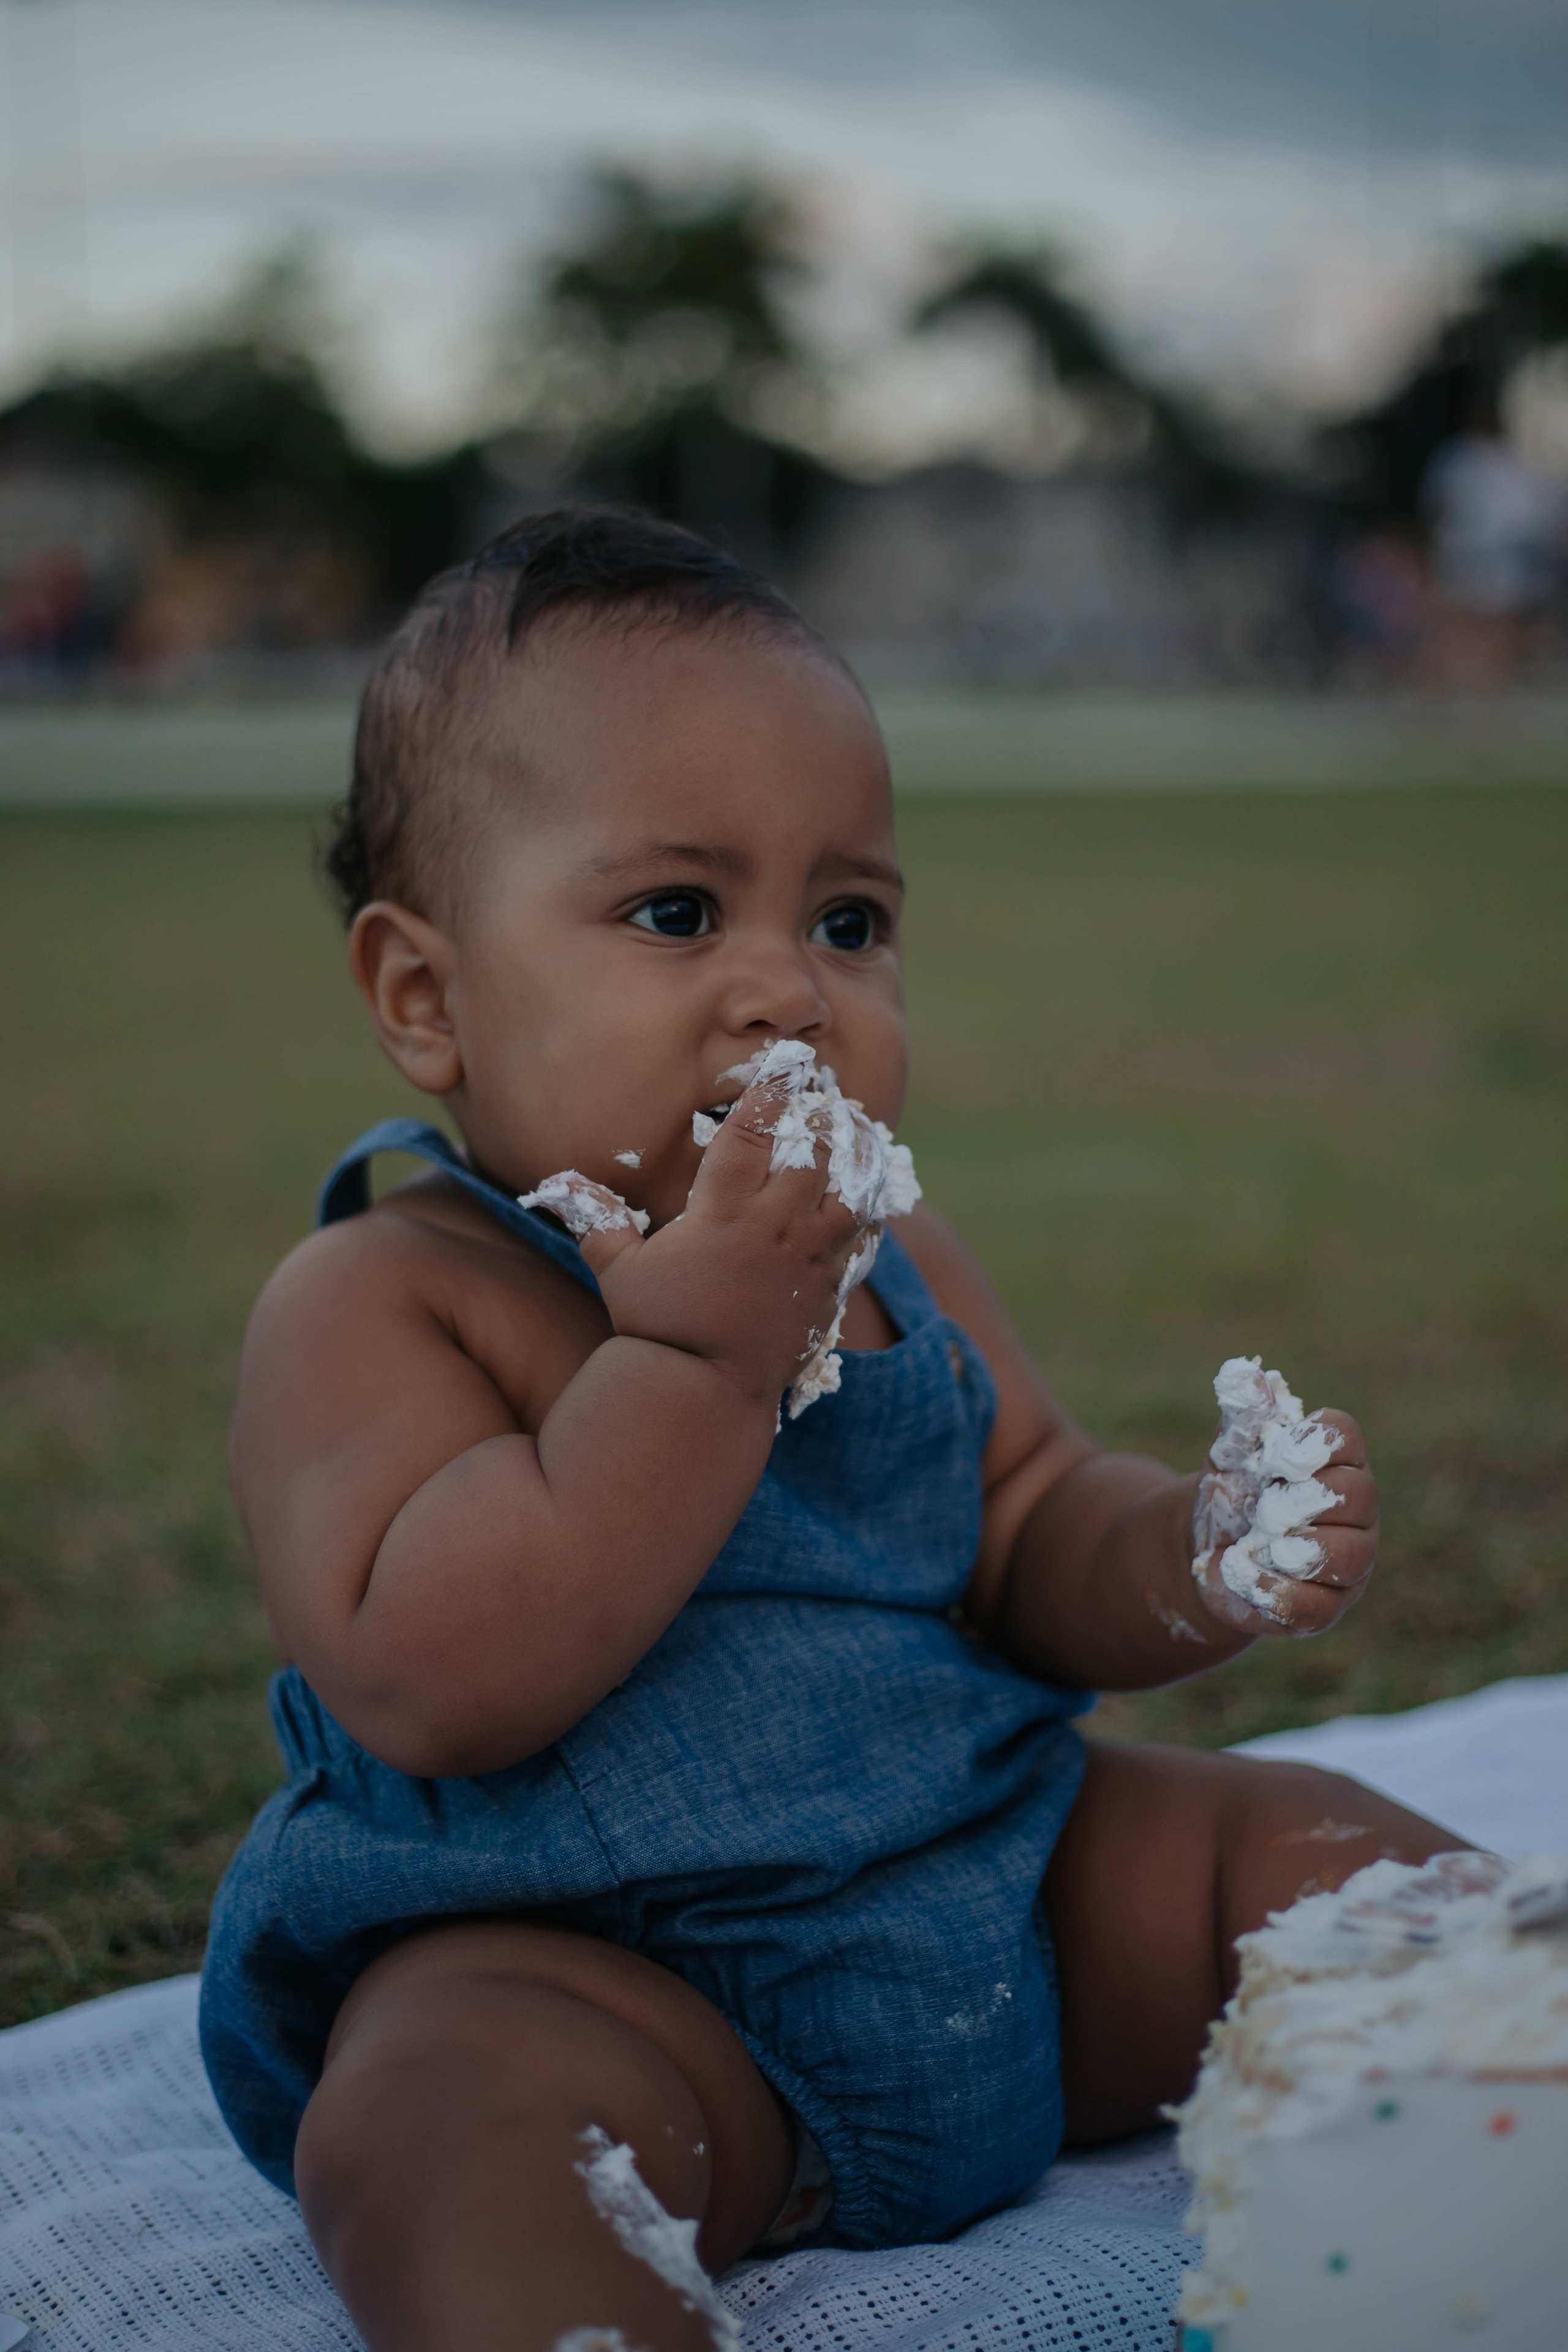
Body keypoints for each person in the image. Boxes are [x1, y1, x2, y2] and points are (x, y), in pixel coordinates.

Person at [200, 508, 1458, 2352]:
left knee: (1320, 1861)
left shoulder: (894, 1262)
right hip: (609, 1985)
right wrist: (700, 1368)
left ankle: (1491, 2147)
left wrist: (1189, 1555)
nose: (790, 990)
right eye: (676, 912)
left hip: (997, 1904)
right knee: (438, 2116)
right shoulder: (388, 1299)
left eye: (849, 921)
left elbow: (1030, 1519)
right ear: (427, 997)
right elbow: (434, 1682)